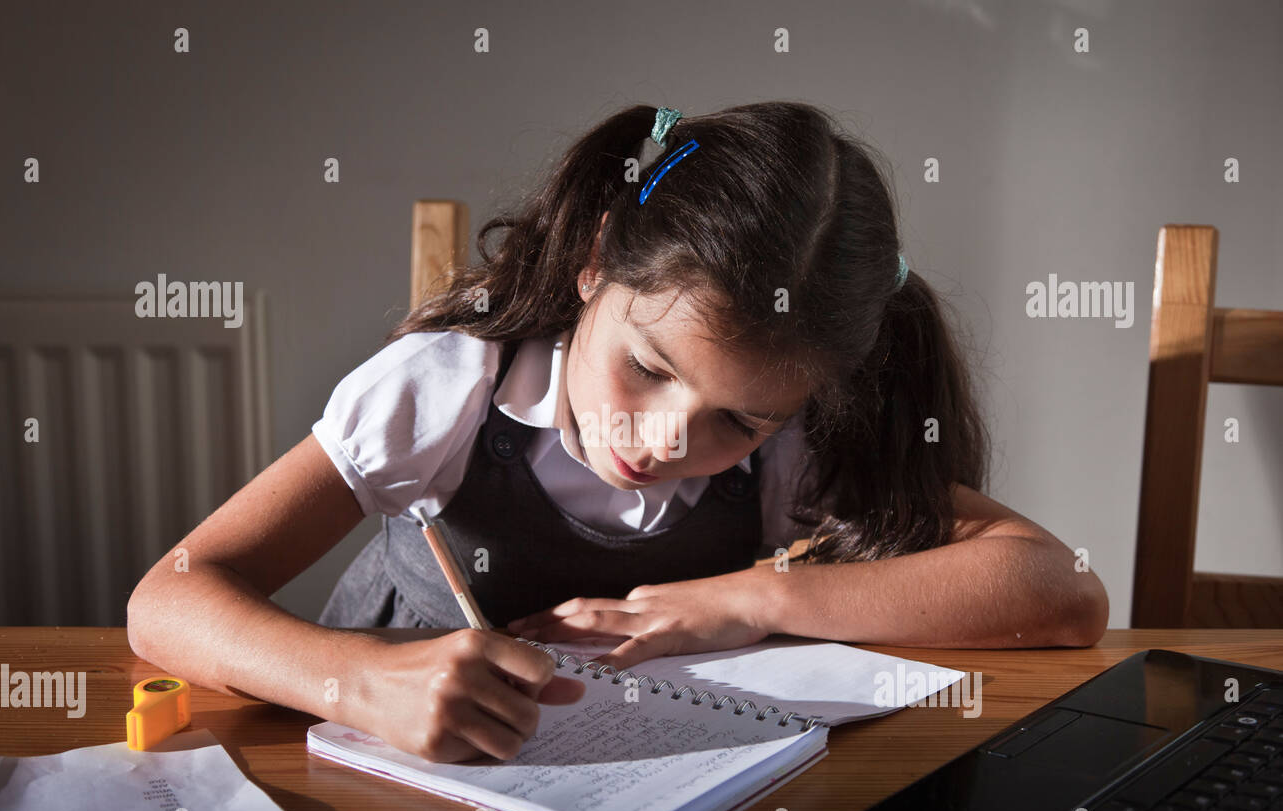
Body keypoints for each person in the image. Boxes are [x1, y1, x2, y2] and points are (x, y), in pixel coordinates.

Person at [128, 103, 1108, 763]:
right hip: (401, 788)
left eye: (738, 418)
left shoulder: (792, 445)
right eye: (646, 367)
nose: (667, 440)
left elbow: (1061, 590)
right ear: (597, 261)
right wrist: (359, 680)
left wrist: (754, 596)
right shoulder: (458, 382)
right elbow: (168, 598)